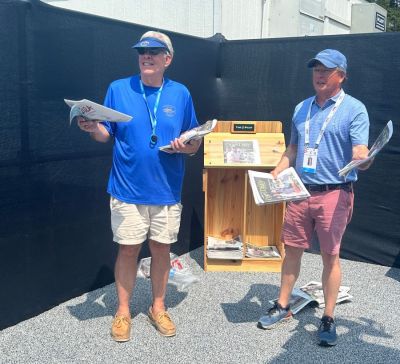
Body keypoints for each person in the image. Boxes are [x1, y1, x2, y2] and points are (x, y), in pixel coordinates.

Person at [77, 31, 201, 342]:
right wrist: (93, 128)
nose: (147, 56)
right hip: (127, 190)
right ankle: (122, 311)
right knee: (129, 249)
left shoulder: (181, 94)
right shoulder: (118, 89)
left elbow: (194, 141)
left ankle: (158, 306)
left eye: (155, 52)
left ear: (167, 59)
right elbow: (107, 134)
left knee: (161, 250)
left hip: (166, 190)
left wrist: (185, 146)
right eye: (142, 51)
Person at [257, 49, 373, 346]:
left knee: (330, 256)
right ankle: (283, 306)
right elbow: (293, 151)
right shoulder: (301, 108)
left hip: (334, 193)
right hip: (299, 193)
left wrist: (364, 158)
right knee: (291, 249)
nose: (320, 75)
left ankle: (329, 317)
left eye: (327, 70)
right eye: (316, 69)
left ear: (341, 75)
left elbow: (361, 154)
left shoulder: (354, 109)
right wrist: (273, 174)